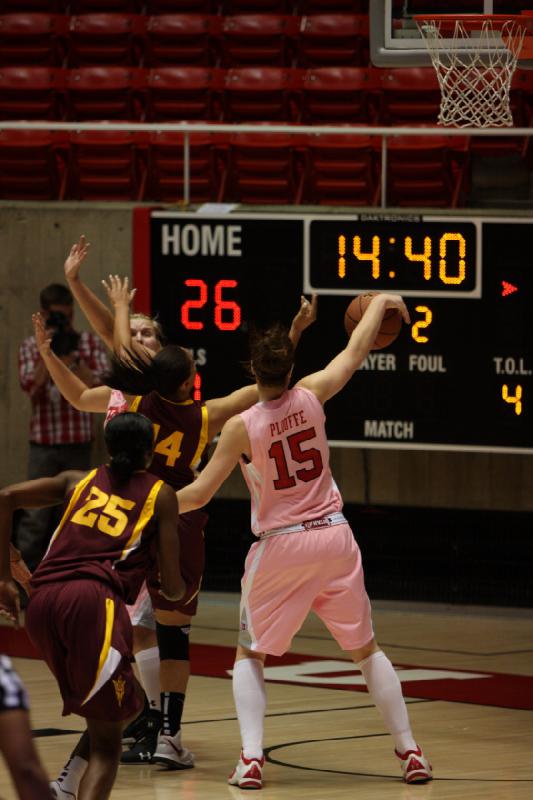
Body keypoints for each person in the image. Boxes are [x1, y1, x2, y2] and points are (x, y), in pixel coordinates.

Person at [30, 279, 317, 773]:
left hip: (130, 522)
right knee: (173, 632)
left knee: (118, 621)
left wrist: (54, 348)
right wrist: (293, 332)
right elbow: (269, 383)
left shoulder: (131, 402)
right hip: (179, 521)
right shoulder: (206, 418)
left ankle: (128, 714)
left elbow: (83, 388)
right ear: (187, 381)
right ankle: (162, 729)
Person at [175, 293, 433, 789]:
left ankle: (251, 759)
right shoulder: (313, 394)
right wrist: (381, 302)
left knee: (250, 653)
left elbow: (200, 493)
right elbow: (356, 349)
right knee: (367, 651)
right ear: (292, 366)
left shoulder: (239, 426)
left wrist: (147, 504)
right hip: (335, 537)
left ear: (253, 369)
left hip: (283, 542)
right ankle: (411, 751)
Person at [0, 412, 185, 800]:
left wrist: (3, 576)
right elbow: (171, 585)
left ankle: (65, 787)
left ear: (108, 447)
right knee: (108, 742)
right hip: (91, 603)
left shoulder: (76, 480)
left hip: (42, 601)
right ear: (149, 452)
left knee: (123, 703)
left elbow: (5, 498)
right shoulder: (160, 494)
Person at [17, 281, 109, 571]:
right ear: (44, 315)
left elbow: (101, 386)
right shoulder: (32, 346)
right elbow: (32, 387)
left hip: (79, 443)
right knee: (34, 518)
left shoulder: (88, 344)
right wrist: (49, 353)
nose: (63, 322)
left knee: (74, 514)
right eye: (56, 316)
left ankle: (66, 578)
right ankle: (25, 583)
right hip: (43, 443)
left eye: (67, 316)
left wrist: (72, 359)